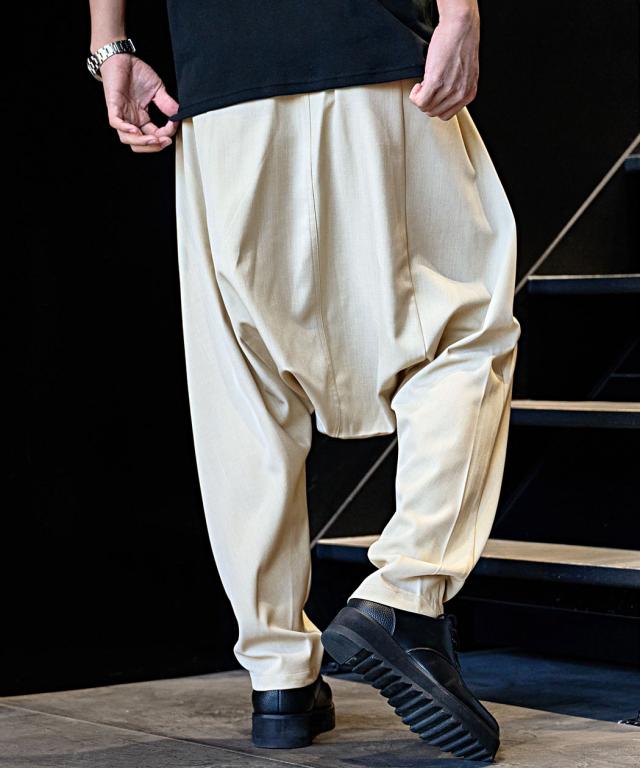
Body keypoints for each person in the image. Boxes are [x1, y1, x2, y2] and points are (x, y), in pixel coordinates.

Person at [87, 0, 521, 761]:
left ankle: (279, 676)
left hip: (220, 89)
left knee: (242, 386)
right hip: (365, 49)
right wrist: (461, 12)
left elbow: (113, 40)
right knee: (465, 326)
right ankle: (406, 597)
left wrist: (108, 45)